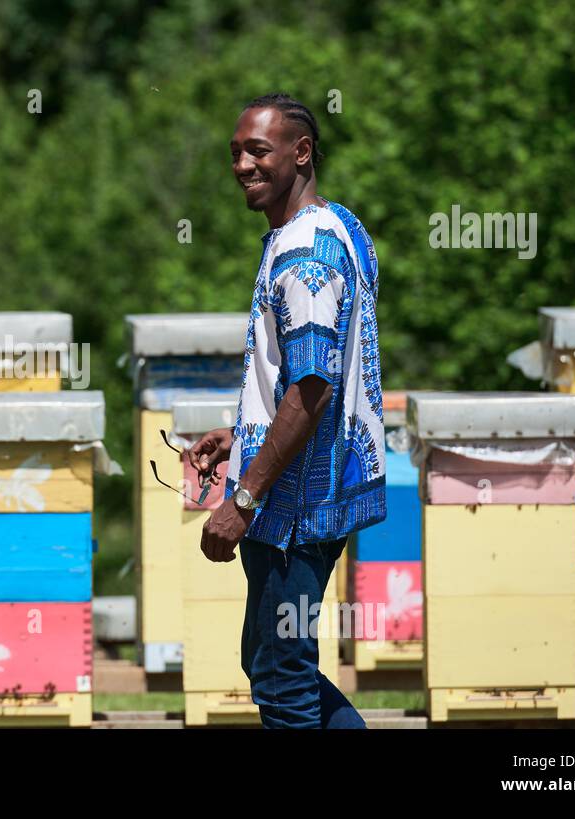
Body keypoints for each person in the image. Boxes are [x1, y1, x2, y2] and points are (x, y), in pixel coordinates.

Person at [185, 93, 386, 729]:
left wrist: (244, 498)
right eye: (236, 153)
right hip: (315, 488)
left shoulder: (305, 258)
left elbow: (313, 390)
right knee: (274, 662)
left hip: (292, 508)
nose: (243, 165)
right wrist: (242, 433)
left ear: (301, 152)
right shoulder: (339, 225)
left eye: (258, 151)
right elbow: (310, 378)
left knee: (282, 679)